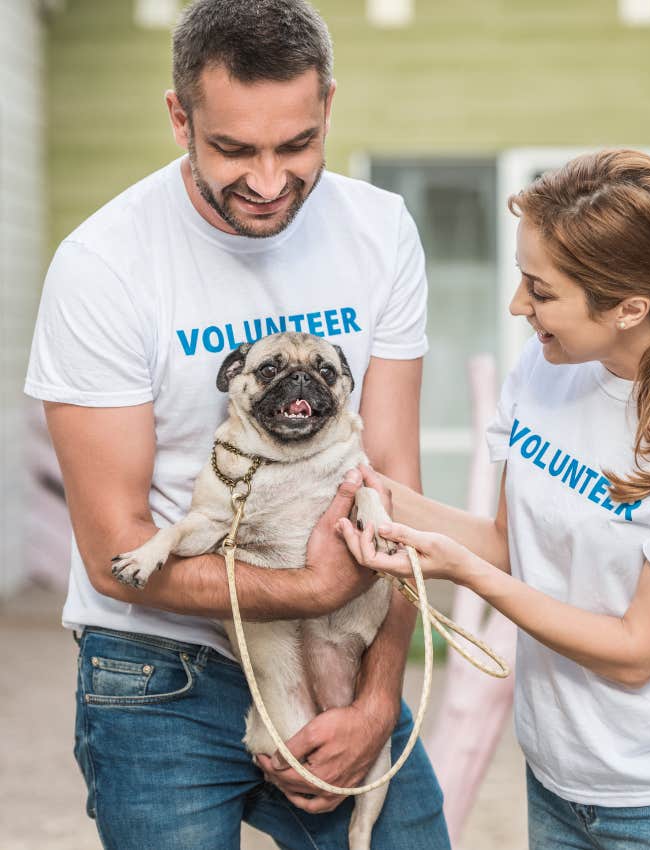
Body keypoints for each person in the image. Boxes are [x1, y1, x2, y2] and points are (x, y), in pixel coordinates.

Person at [24, 1, 450, 848]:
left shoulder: (379, 230)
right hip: (158, 673)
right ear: (180, 116)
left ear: (328, 105)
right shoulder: (104, 266)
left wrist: (377, 695)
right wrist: (314, 587)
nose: (265, 180)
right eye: (232, 149)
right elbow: (117, 554)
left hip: (343, 654)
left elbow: (397, 485)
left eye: (295, 146)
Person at [340, 149, 650, 850]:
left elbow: (636, 651)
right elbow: (513, 544)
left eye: (541, 293)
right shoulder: (544, 372)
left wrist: (464, 573)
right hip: (555, 781)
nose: (519, 307)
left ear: (630, 307)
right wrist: (367, 490)